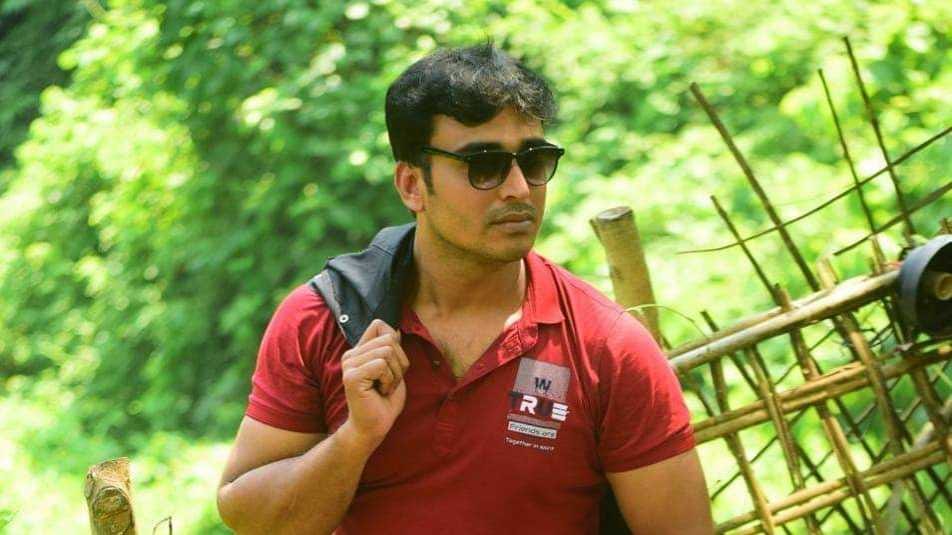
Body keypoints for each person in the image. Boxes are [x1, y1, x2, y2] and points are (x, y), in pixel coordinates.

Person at [216, 43, 714, 534]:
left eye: (534, 161)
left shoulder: (607, 347)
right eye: (484, 166)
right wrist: (356, 437)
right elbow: (252, 520)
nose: (518, 188)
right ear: (412, 185)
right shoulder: (324, 319)